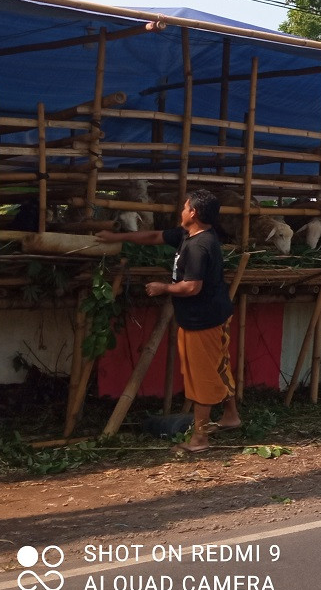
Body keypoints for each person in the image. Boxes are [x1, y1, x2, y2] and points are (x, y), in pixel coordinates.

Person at [97, 189, 240, 452]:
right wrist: (117, 237)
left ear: (193, 212)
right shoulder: (187, 235)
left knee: (202, 377)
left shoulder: (199, 246)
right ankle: (231, 416)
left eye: (185, 207)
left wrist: (163, 288)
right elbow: (154, 236)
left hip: (203, 320)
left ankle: (200, 439)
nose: (181, 210)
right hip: (208, 315)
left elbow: (192, 287)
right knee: (218, 365)